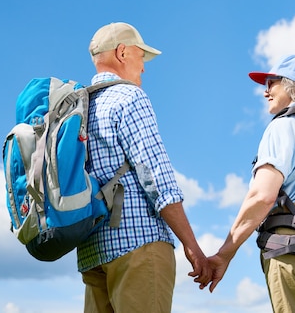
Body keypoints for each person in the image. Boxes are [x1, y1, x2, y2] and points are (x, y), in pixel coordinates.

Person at [77, 21, 210, 313]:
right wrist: (191, 245)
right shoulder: (129, 97)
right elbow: (155, 177)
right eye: (141, 57)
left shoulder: (79, 107)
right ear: (122, 52)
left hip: (92, 251)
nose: (144, 68)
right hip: (138, 245)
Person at [204, 54, 295, 313]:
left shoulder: (284, 127)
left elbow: (262, 196)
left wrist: (225, 253)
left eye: (272, 82)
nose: (265, 91)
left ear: (292, 84)